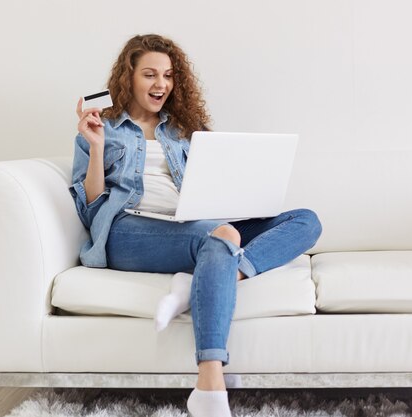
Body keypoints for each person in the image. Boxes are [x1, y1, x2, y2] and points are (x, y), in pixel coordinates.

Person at [70, 33, 322, 417]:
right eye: (150, 74)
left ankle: (203, 278)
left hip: (194, 223)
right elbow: (90, 209)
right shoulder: (104, 128)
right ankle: (209, 381)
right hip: (127, 230)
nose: (161, 85)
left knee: (305, 220)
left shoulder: (184, 129)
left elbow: (212, 186)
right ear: (129, 77)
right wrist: (98, 147)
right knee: (220, 236)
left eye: (169, 76)